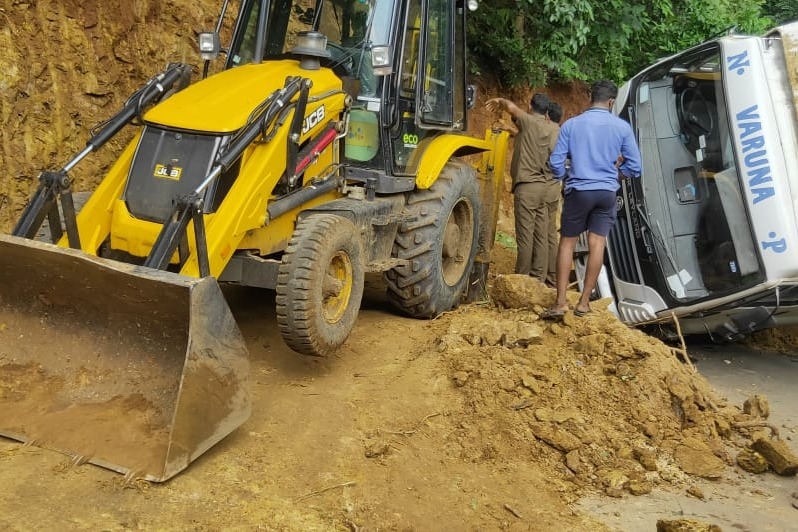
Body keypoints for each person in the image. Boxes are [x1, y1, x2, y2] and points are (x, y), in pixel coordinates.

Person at [544, 80, 642, 318]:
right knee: (597, 243)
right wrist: (617, 176)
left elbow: (556, 162)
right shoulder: (621, 128)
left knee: (568, 242)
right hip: (606, 193)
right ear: (611, 102)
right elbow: (635, 166)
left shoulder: (571, 125)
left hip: (579, 190)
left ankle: (560, 303)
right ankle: (584, 303)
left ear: (591, 98)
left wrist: (565, 176)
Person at [486, 93, 560, 284]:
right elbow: (527, 137)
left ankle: (520, 281)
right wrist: (509, 129)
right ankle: (538, 279)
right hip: (546, 187)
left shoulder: (528, 121)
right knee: (541, 236)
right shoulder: (553, 128)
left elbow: (510, 106)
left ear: (530, 106)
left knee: (525, 238)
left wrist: (499, 101)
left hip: (527, 188)